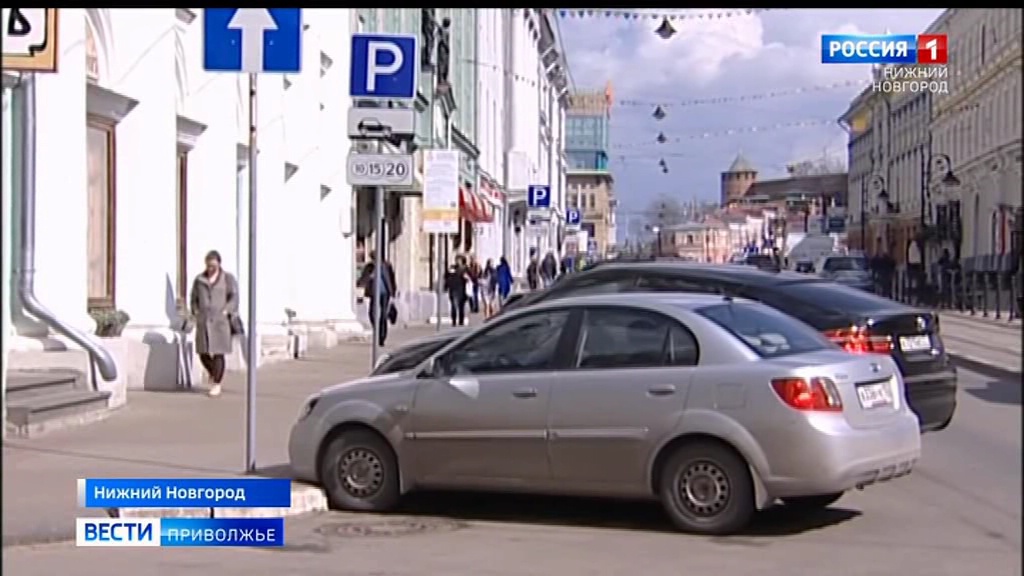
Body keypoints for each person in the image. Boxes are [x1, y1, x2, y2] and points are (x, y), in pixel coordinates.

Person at [190, 250, 239, 397]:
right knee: (202, 352)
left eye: (213, 266)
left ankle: (216, 383)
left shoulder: (227, 279)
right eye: (208, 265)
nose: (211, 269)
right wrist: (195, 311)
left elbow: (234, 296)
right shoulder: (199, 279)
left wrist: (227, 310)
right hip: (204, 320)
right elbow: (194, 298)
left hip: (220, 321)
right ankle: (213, 373)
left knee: (219, 353)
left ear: (218, 264)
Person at [357, 251, 397, 347]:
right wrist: (365, 280)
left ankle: (382, 337)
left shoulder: (386, 266)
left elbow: (391, 279)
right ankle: (377, 329)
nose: (374, 260)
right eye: (373, 258)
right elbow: (363, 279)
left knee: (383, 314)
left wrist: (393, 292)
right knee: (372, 313)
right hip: (373, 294)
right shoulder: (370, 267)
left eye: (375, 258)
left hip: (385, 294)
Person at [445, 259, 469, 326]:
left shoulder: (465, 269)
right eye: (457, 260)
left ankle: (461, 321)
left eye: (459, 260)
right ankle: (454, 321)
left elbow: (470, 278)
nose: (458, 262)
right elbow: (447, 277)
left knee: (461, 307)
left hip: (462, 290)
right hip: (453, 290)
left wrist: (466, 278)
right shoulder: (452, 268)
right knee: (454, 306)